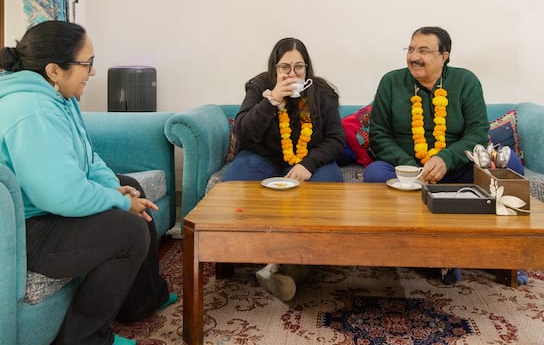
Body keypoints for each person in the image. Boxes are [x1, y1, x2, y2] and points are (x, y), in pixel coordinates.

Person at [0, 20, 176, 345]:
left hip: (40, 209)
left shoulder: (59, 99)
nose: (92, 72)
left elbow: (87, 158)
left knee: (131, 185)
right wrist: (119, 202)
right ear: (54, 70)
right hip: (18, 231)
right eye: (87, 64)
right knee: (128, 231)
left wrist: (113, 187)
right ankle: (85, 338)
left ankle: (141, 300)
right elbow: (61, 195)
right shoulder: (32, 111)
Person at [364, 26, 523, 284]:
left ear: (444, 56)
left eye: (423, 50)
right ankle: (426, 256)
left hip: (456, 166)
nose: (414, 57)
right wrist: (410, 166)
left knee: (508, 165)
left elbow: (477, 132)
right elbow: (379, 134)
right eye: (411, 49)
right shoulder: (391, 82)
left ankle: (508, 256)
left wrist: (446, 159)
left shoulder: (465, 81)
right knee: (374, 174)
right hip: (409, 171)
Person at [222, 37, 345, 300]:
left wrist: (308, 163)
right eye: (285, 67)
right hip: (263, 158)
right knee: (234, 181)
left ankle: (280, 265)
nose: (292, 74)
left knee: (329, 185)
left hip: (308, 161)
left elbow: (336, 139)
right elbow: (244, 132)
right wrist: (271, 100)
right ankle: (280, 263)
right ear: (274, 68)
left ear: (307, 68)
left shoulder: (322, 93)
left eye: (299, 67)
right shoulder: (259, 87)